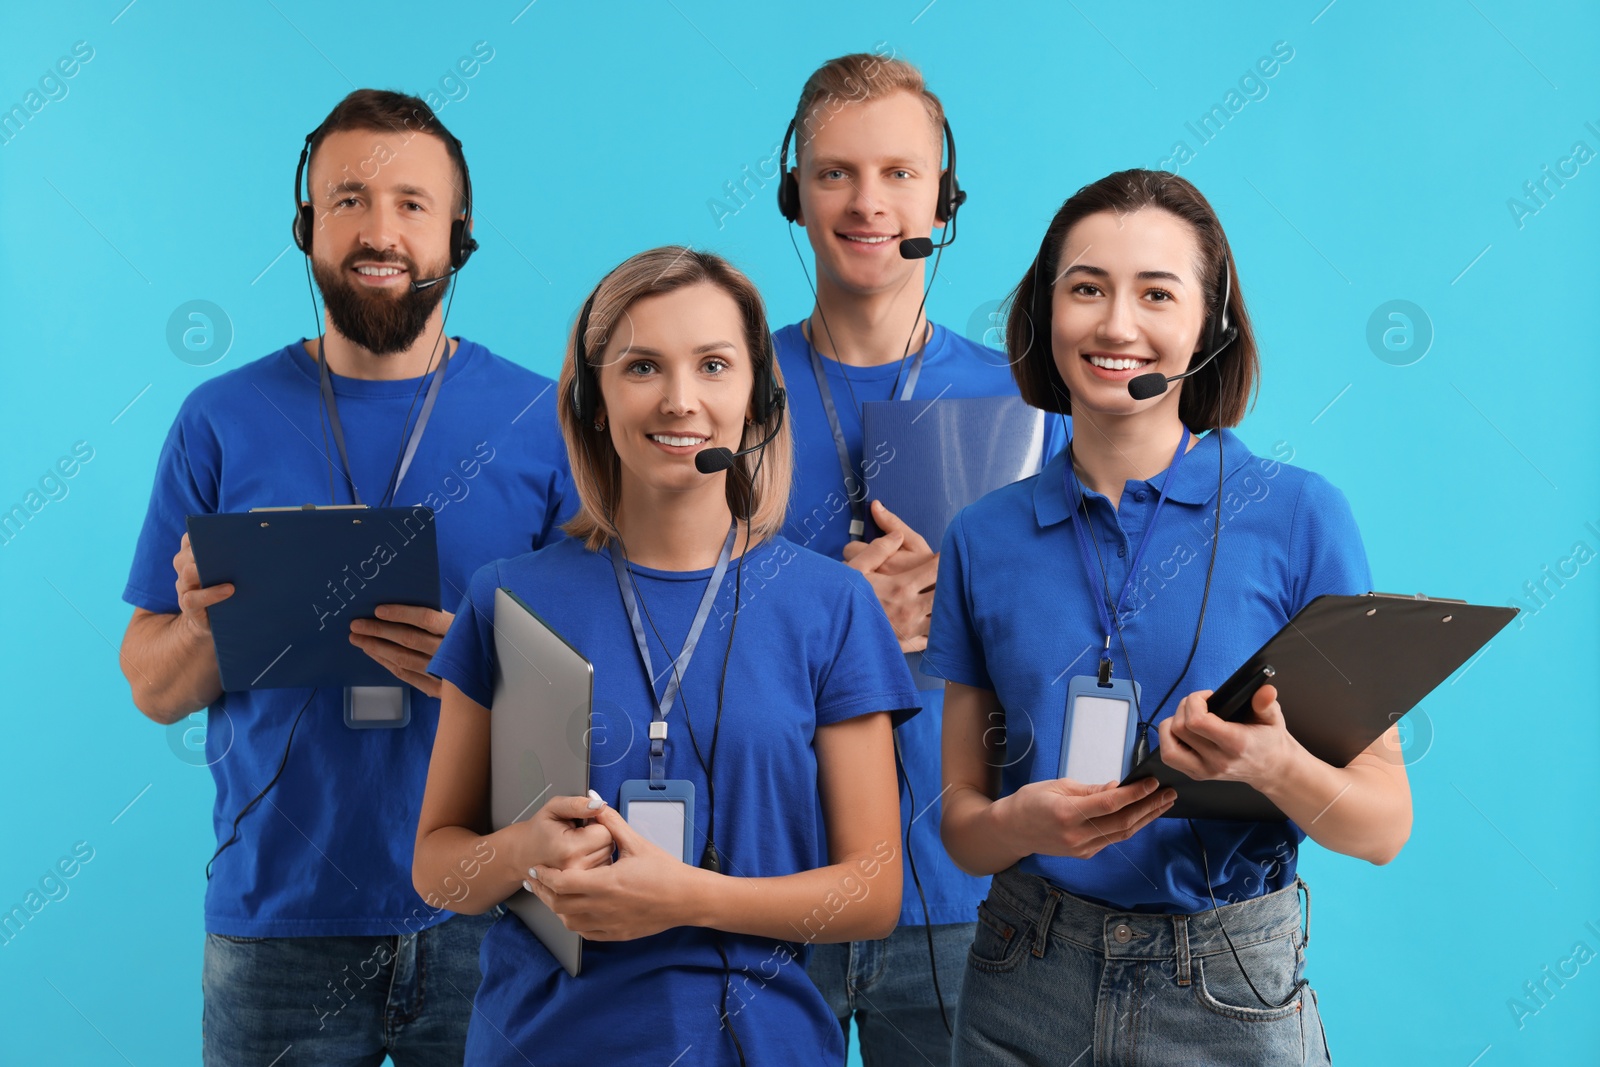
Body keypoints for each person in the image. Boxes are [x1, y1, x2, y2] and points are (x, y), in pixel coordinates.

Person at [118, 89, 572, 1064]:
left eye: (412, 202)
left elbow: (611, 689)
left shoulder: (545, 420)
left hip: (492, 911)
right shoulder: (218, 419)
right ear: (306, 225)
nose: (379, 230)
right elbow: (152, 685)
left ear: (458, 229)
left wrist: (476, 669)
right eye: (349, 199)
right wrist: (203, 625)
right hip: (279, 924)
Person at [924, 169, 1412, 1065]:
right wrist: (1025, 825)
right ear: (1044, 312)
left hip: (1228, 989)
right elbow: (959, 818)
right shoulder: (981, 537)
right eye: (1086, 289)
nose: (1117, 325)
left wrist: (1276, 767)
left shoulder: (1299, 516)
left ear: (1211, 321)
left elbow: (1380, 825)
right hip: (1022, 977)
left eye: (1157, 292)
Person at [416, 246, 920, 1066]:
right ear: (592, 397)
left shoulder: (831, 605)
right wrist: (521, 852)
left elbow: (873, 891)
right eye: (643, 365)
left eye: (714, 365)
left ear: (757, 397)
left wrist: (688, 898)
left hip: (764, 1044)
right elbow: (436, 866)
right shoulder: (506, 594)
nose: (680, 400)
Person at [770, 51, 1065, 1062]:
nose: (867, 202)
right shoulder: (718, 388)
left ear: (944, 195)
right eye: (835, 172)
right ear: (793, 192)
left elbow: (1092, 630)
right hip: (767, 877)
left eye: (899, 173)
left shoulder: (1030, 406)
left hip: (963, 894)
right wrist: (828, 617)